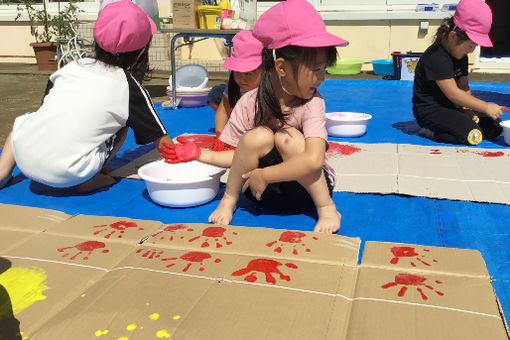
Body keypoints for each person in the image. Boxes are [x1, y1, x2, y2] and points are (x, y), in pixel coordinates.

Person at [160, 0, 348, 234]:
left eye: (324, 70)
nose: (322, 79)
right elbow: (240, 157)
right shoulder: (250, 103)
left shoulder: (312, 103)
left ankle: (327, 207)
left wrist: (264, 174)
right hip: (259, 194)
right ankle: (229, 198)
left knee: (287, 137)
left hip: (306, 196)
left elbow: (313, 160)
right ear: (281, 68)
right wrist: (200, 154)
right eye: (316, 70)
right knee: (256, 137)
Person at [0, 1, 173, 192]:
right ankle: (88, 180)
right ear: (142, 50)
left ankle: (2, 171)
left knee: (26, 120)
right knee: (121, 126)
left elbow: (44, 110)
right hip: (69, 174)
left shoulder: (71, 67)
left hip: (25, 157)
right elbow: (161, 140)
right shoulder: (127, 85)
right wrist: (186, 161)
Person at [412, 0, 503, 145]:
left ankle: (461, 125)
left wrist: (468, 109)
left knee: (496, 126)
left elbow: (464, 86)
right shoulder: (436, 57)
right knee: (473, 135)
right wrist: (485, 107)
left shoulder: (461, 56)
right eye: (471, 45)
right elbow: (453, 93)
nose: (472, 50)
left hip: (453, 107)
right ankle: (431, 132)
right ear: (453, 36)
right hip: (431, 111)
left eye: (475, 46)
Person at [207, 30, 263, 151]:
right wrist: (220, 136)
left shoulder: (269, 90)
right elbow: (222, 112)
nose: (242, 78)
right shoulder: (235, 87)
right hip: (241, 115)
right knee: (214, 95)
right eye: (237, 72)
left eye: (248, 73)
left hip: (260, 131)